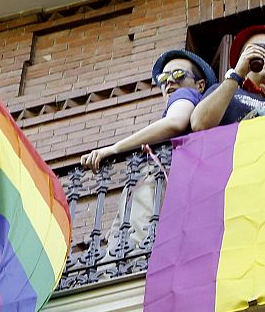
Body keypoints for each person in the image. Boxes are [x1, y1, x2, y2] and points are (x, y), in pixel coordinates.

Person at [81, 49, 217, 251]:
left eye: (178, 74)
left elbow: (175, 123)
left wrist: (114, 149)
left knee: (136, 250)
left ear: (200, 85)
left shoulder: (185, 95)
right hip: (162, 184)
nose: (169, 82)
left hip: (157, 179)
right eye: (163, 77)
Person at [191, 25, 265, 131]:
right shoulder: (221, 91)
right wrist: (236, 74)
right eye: (259, 49)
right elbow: (199, 124)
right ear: (244, 59)